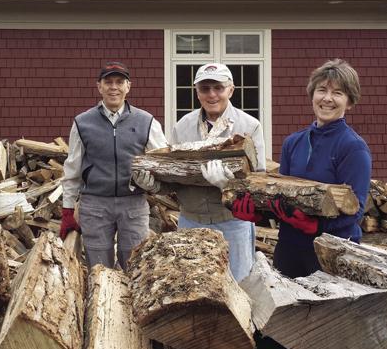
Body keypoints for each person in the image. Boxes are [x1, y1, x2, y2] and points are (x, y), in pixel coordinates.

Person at [160, 63, 267, 282]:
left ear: (231, 90)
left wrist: (229, 187)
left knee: (238, 287)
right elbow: (174, 176)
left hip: (232, 222)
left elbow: (260, 181)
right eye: (205, 88)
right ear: (197, 92)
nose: (212, 94)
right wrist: (152, 183)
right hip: (191, 221)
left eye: (218, 87)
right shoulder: (182, 126)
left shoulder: (249, 126)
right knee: (191, 287)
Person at [59, 61, 168, 271]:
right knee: (99, 269)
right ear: (99, 86)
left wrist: (153, 184)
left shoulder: (147, 122)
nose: (114, 87)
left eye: (119, 82)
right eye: (108, 82)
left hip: (133, 204)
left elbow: (162, 163)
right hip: (95, 205)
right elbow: (72, 169)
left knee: (135, 266)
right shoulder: (83, 123)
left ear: (128, 86)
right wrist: (67, 210)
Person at [271, 59, 371, 278]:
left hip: (331, 250)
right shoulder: (293, 143)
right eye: (322, 90)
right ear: (312, 95)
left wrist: (316, 226)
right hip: (289, 247)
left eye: (337, 93)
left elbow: (356, 209)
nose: (327, 98)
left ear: (350, 102)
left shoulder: (353, 147)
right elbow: (281, 194)